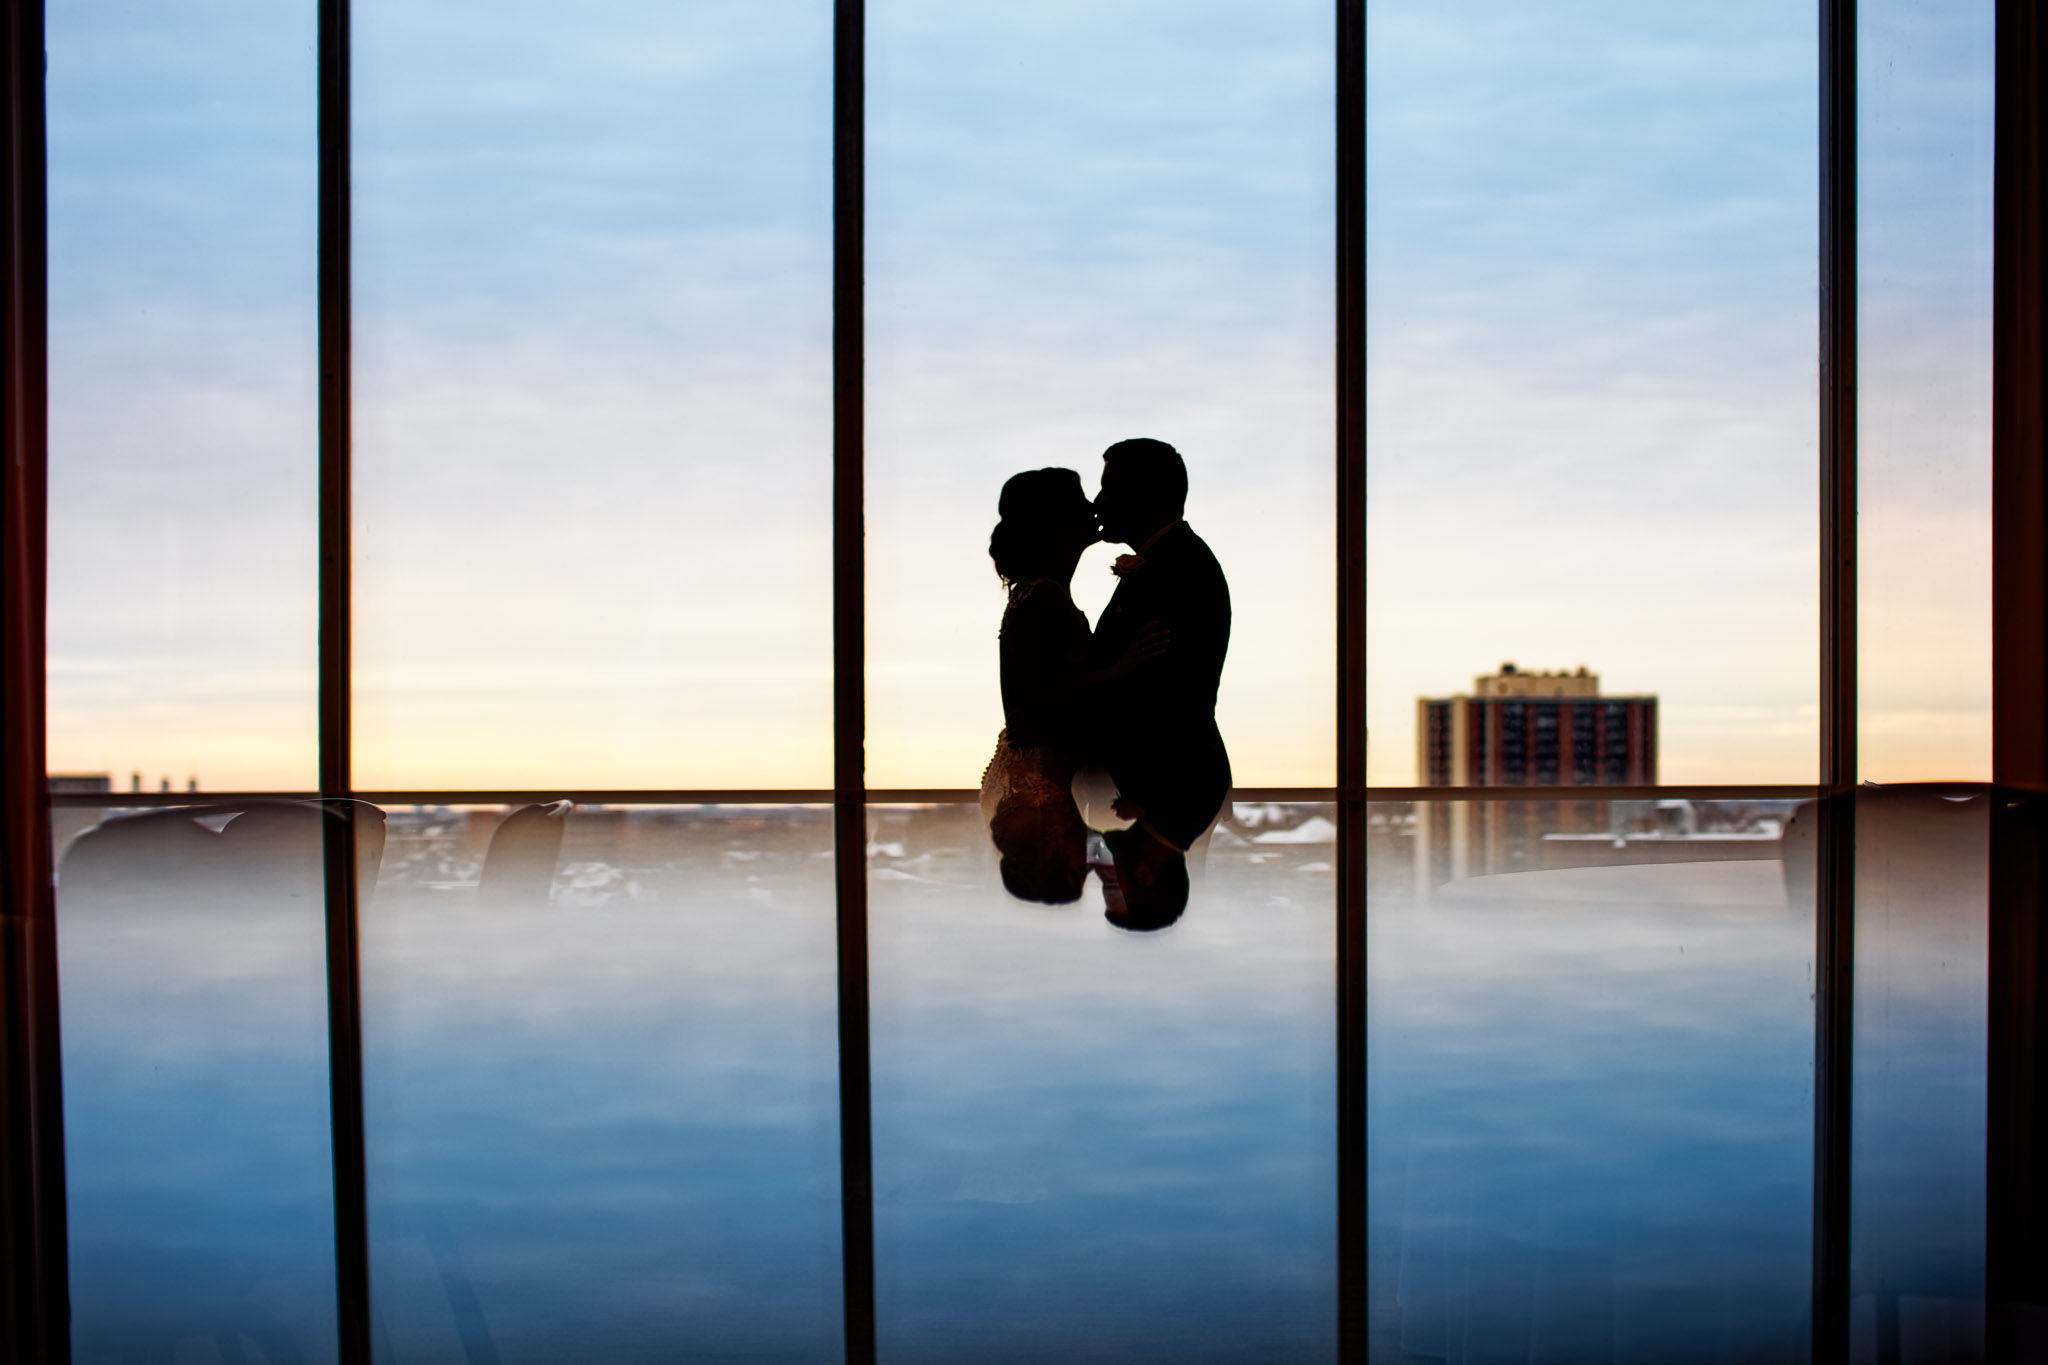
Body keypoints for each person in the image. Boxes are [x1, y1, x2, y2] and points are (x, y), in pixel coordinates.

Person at [980, 468, 1163, 904]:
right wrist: (1123, 667)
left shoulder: (1036, 593)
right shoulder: (1043, 596)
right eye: (1080, 502)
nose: (1092, 508)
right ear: (1053, 522)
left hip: (1043, 772)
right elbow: (1035, 701)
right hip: (1046, 782)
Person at [1087, 438, 1232, 931]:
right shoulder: (1171, 563)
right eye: (1112, 884)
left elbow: (1157, 689)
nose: (1097, 504)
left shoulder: (1180, 569)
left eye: (1108, 488)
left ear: (1146, 493)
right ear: (1144, 874)